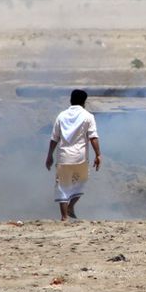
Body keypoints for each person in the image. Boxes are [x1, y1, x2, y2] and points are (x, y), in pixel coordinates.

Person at [45, 89, 101, 221]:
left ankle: (64, 216)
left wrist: (49, 155)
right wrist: (98, 154)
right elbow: (93, 137)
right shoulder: (88, 116)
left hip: (64, 156)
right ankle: (71, 206)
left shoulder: (61, 116)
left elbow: (54, 138)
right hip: (80, 157)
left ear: (71, 100)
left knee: (63, 186)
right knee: (81, 183)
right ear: (84, 102)